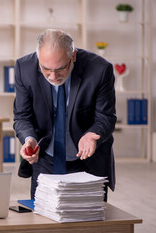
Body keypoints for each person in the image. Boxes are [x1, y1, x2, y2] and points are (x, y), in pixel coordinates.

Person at [13, 29, 116, 201]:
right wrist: (29, 138)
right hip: (45, 156)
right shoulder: (24, 68)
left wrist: (91, 135)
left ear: (73, 56)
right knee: (44, 220)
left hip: (87, 159)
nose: (53, 77)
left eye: (61, 69)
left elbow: (106, 117)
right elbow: (22, 116)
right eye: (46, 69)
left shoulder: (100, 70)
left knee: (88, 222)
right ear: (38, 59)